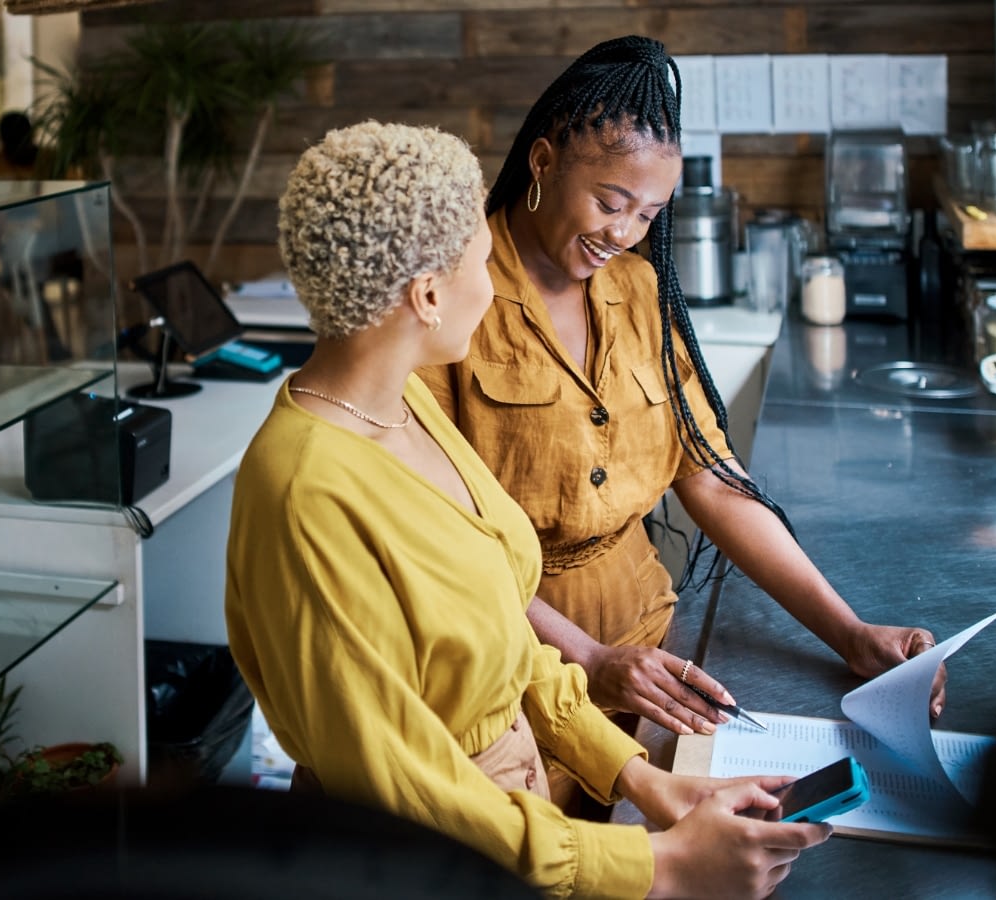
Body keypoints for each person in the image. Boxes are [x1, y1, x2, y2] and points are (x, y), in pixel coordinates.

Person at [226, 120, 830, 899]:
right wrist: (663, 868)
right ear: (429, 294)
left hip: (509, 832)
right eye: (484, 259)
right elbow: (409, 792)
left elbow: (499, 641)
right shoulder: (305, 491)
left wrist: (645, 781)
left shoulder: (400, 402)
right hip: (424, 865)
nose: (497, 282)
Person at [416, 35, 946, 745]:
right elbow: (438, 541)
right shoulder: (451, 298)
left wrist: (850, 634)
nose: (624, 233)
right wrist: (591, 660)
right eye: (611, 202)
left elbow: (713, 477)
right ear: (543, 162)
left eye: (648, 215)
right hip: (510, 670)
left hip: (648, 648)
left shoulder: (638, 291)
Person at [0, 111, 40, 180]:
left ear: (32, 136)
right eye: (12, 143)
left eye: (21, 141)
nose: (17, 149)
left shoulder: (49, 160)